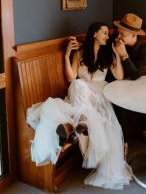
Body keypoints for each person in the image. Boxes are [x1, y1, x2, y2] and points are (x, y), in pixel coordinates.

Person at [27, 22, 132, 190]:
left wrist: (117, 55)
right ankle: (83, 119)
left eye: (107, 33)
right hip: (81, 94)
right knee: (77, 84)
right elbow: (71, 78)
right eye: (104, 33)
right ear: (94, 34)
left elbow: (119, 77)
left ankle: (82, 121)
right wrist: (66, 55)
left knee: (81, 88)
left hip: (99, 93)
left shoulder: (108, 55)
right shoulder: (80, 54)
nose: (107, 36)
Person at [106, 13, 146, 154]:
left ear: (134, 35)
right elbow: (97, 43)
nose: (119, 36)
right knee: (119, 103)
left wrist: (124, 55)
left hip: (135, 84)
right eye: (118, 32)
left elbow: (135, 75)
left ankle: (143, 128)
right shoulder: (115, 40)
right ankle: (123, 142)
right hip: (114, 83)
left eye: (123, 34)